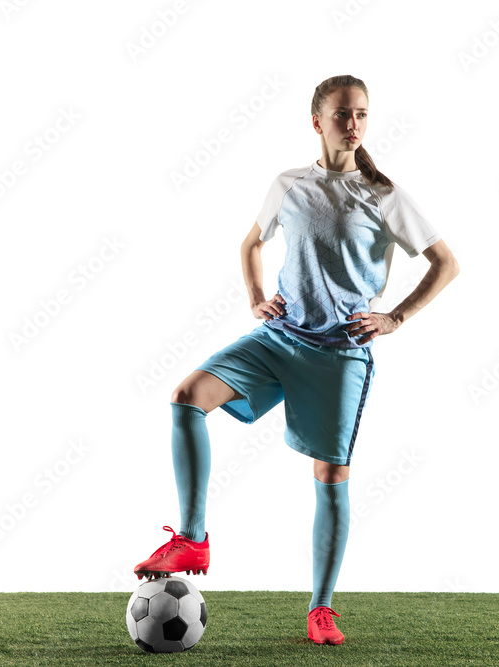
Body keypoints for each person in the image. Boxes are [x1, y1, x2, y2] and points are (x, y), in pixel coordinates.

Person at [134, 74, 459, 645]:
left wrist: (394, 317)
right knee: (187, 398)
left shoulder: (384, 194)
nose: (353, 124)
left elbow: (445, 263)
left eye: (361, 114)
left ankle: (321, 608)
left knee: (330, 476)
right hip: (280, 340)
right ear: (317, 121)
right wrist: (257, 299)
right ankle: (192, 536)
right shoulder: (289, 185)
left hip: (340, 357)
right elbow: (250, 243)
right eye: (341, 114)